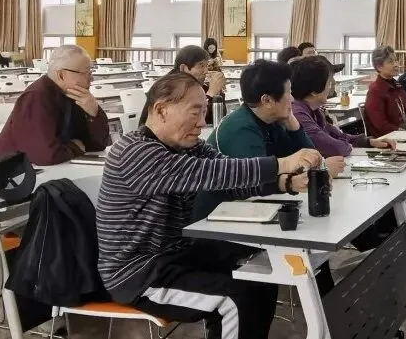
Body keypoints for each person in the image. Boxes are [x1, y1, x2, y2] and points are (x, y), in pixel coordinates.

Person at [96, 72, 322, 339]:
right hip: (139, 273)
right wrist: (281, 164)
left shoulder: (186, 146)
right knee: (236, 298)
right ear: (161, 110)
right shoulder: (134, 151)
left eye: (205, 112)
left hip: (176, 255)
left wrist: (285, 183)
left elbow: (229, 177)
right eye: (195, 112)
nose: (202, 123)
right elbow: (210, 172)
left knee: (261, 277)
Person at [207, 60, 344, 177]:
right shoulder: (240, 130)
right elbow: (258, 182)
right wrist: (320, 172)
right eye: (289, 93)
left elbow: (310, 157)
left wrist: (293, 124)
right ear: (267, 100)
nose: (292, 99)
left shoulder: (273, 120)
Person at [0, 45, 109, 165]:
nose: (92, 78)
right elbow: (45, 155)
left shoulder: (76, 96)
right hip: (16, 173)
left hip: (57, 169)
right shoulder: (36, 97)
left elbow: (98, 144)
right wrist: (76, 147)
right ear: (61, 75)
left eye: (91, 72)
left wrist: (94, 113)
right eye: (85, 73)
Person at [290, 56, 395, 156]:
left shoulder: (315, 110)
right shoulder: (298, 113)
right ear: (314, 91)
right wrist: (348, 146)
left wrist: (369, 142)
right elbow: (332, 147)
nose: (333, 84)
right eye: (329, 82)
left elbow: (338, 135)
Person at [139, 46, 226, 126]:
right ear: (184, 68)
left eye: (207, 66)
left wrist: (218, 92)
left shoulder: (197, 86)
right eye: (201, 66)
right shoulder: (167, 88)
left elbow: (218, 117)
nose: (206, 71)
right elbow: (191, 121)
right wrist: (211, 94)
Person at [364, 46, 406, 137]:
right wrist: (405, 134)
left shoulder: (398, 86)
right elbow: (381, 124)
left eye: (396, 60)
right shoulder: (375, 91)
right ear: (379, 67)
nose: (396, 64)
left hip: (404, 136)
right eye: (390, 62)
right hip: (388, 139)